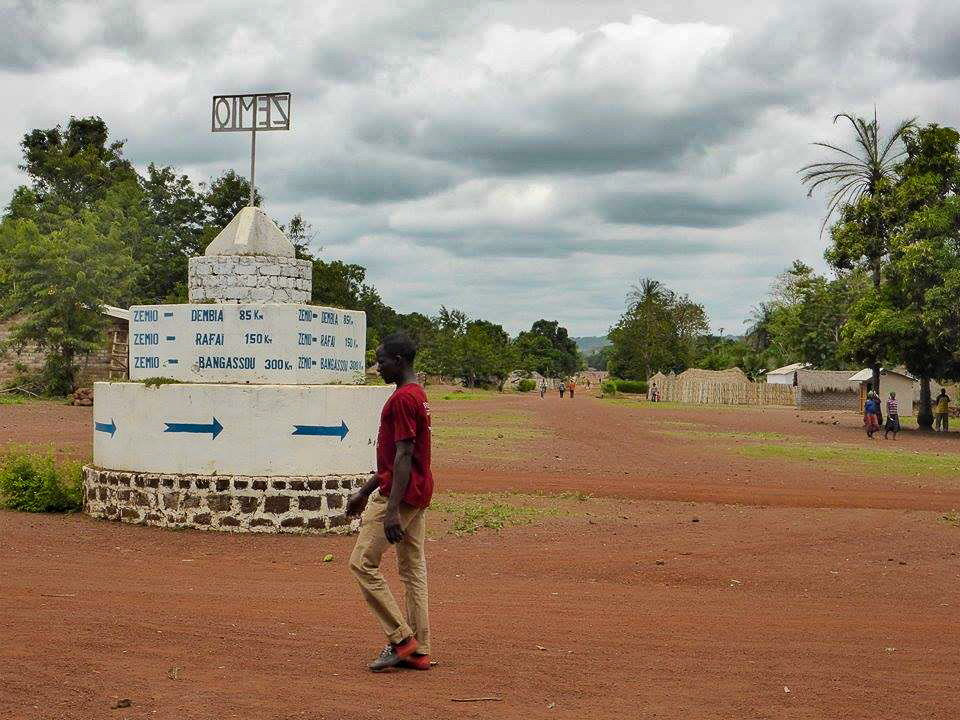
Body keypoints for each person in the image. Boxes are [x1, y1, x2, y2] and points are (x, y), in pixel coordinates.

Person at [346, 332, 433, 673]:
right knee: (413, 571)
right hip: (417, 491)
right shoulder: (417, 394)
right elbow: (397, 459)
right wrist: (364, 491)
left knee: (362, 564)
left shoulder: (401, 400)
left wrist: (391, 508)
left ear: (398, 361)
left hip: (399, 496)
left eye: (381, 361)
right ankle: (419, 650)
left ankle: (401, 639)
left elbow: (403, 454)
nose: (377, 367)